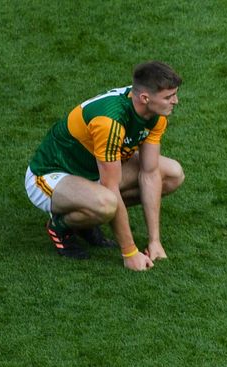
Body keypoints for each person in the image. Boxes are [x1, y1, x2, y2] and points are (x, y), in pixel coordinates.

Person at [24, 61, 185, 271]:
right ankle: (60, 226)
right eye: (168, 97)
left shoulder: (154, 114)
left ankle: (87, 220)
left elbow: (150, 172)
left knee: (172, 174)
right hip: (51, 175)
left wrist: (154, 241)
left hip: (93, 171)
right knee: (107, 203)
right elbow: (111, 187)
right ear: (145, 98)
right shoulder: (108, 121)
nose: (176, 101)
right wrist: (130, 252)